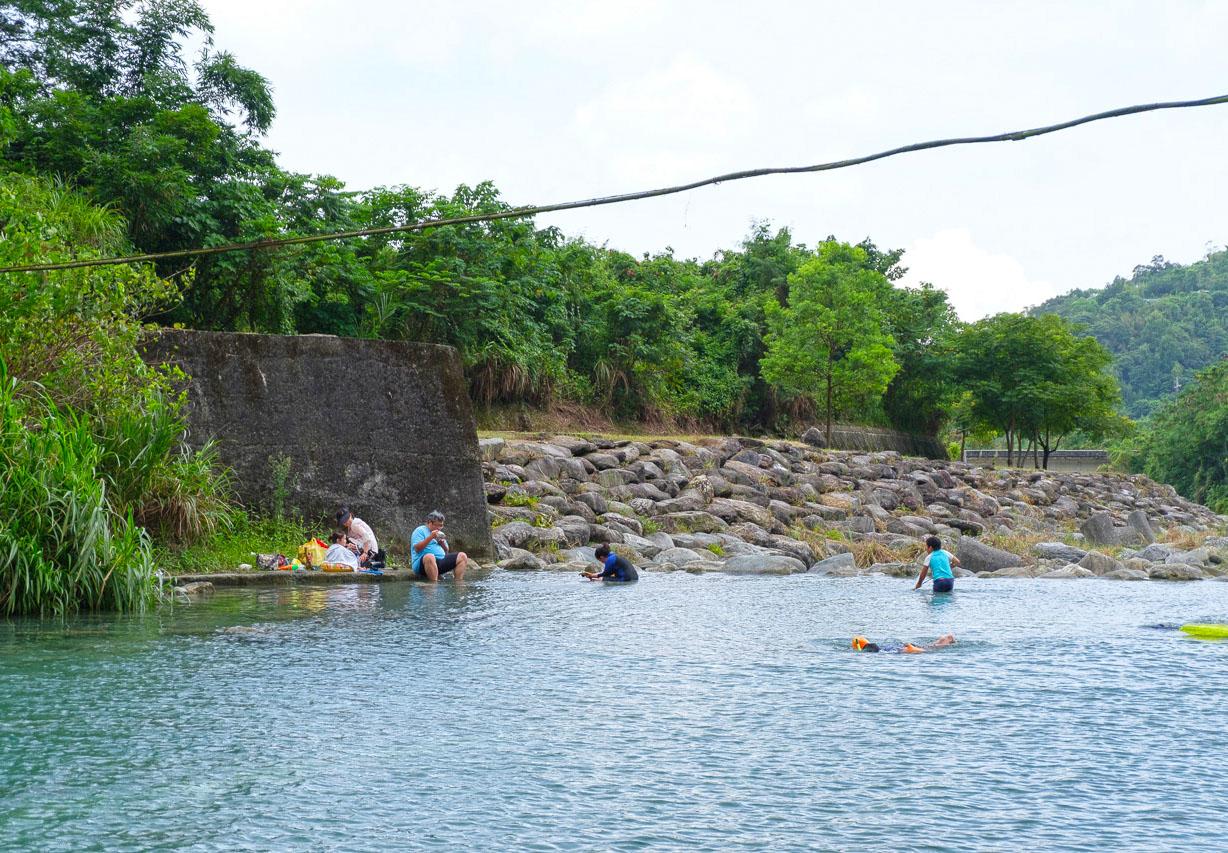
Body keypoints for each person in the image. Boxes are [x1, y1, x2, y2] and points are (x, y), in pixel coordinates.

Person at [411, 509, 467, 581]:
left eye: (442, 526)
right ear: (430, 523)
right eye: (438, 525)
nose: (440, 528)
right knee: (430, 556)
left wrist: (442, 544)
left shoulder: (440, 533)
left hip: (440, 561)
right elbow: (417, 548)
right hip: (423, 564)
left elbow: (446, 551)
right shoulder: (420, 530)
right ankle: (434, 584)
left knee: (462, 556)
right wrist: (431, 537)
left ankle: (458, 582)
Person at [852, 634, 956, 654]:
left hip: (906, 650)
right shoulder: (879, 647)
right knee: (930, 647)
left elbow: (873, 648)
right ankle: (944, 639)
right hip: (904, 647)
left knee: (930, 650)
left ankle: (945, 640)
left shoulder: (874, 650)